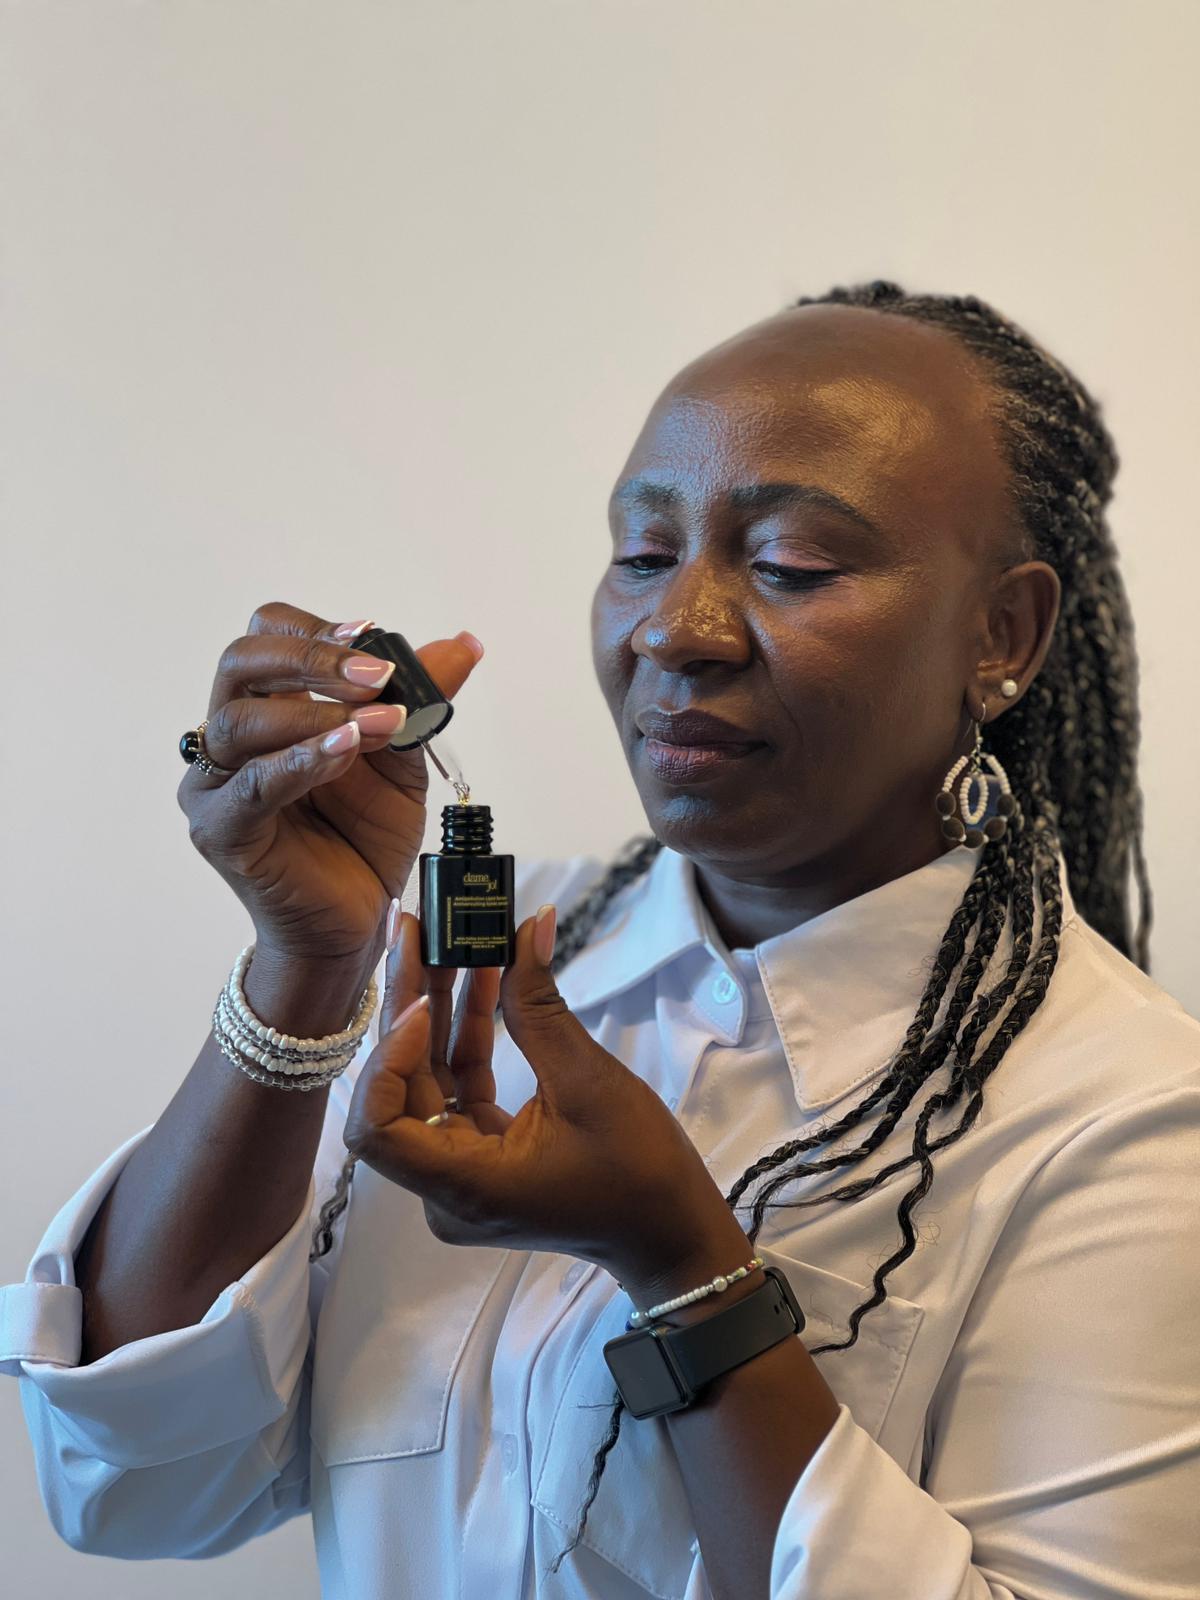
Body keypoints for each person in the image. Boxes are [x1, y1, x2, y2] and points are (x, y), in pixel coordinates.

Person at [2, 279, 1197, 1600]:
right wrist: (304, 972)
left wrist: (687, 1271)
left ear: (1002, 635)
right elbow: (135, 1486)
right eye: (642, 551)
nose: (675, 628)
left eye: (792, 565)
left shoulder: (1131, 1125)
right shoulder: (478, 972)